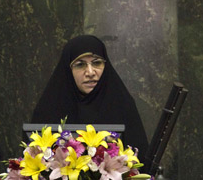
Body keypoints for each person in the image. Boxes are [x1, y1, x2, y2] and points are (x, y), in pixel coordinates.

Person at [31, 35, 148, 164]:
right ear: (68, 70)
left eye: (97, 63)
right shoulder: (49, 109)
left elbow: (140, 165)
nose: (90, 72)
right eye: (80, 65)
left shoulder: (122, 105)